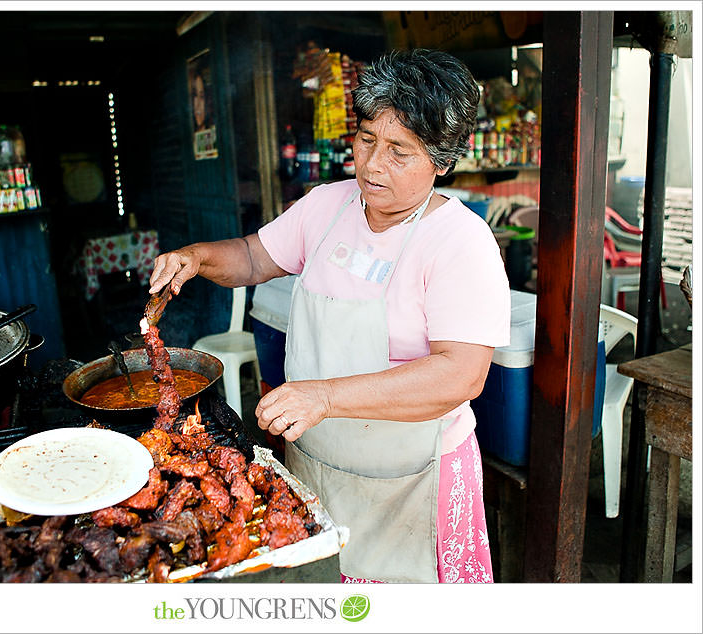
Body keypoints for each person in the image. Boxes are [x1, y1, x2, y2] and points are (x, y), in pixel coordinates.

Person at [148, 49, 510, 583]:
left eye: (398, 151)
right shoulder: (328, 205)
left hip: (411, 484)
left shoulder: (460, 241)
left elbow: (462, 373)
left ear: (442, 159)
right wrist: (197, 257)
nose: (372, 165)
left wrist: (324, 395)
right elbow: (253, 256)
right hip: (317, 466)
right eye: (366, 140)